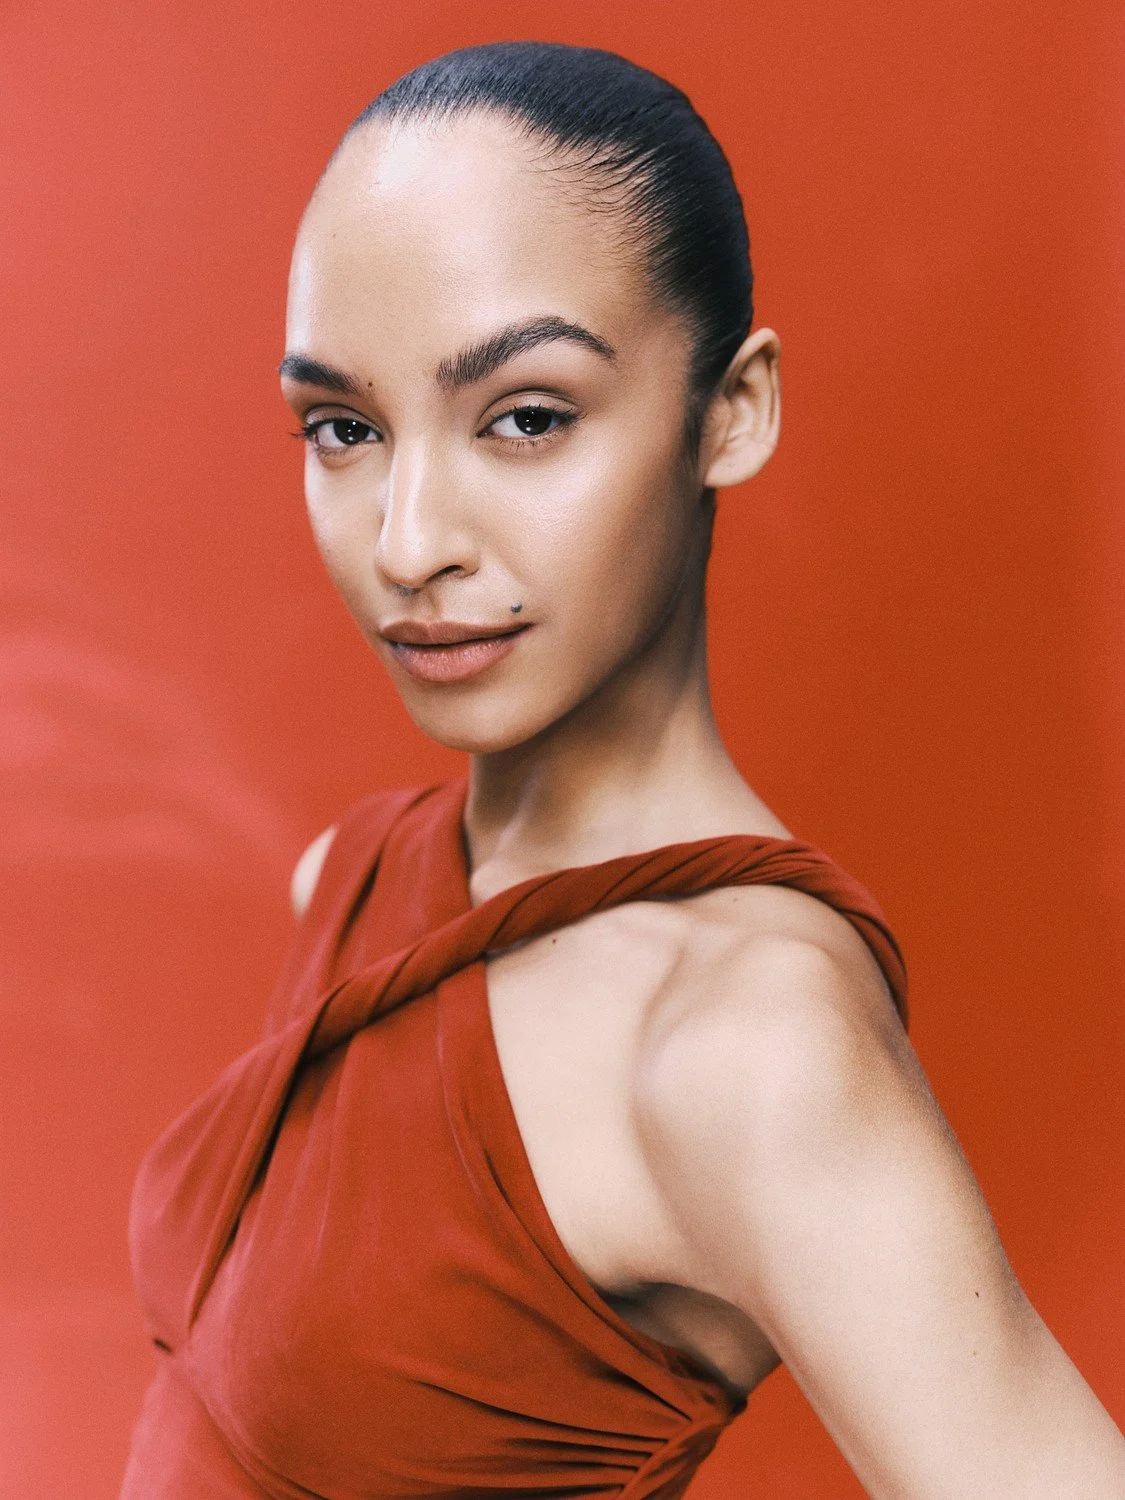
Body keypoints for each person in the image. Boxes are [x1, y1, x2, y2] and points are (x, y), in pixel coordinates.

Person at [121, 40, 1125, 1498]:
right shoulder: (352, 875)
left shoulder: (743, 1047)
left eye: (525, 417)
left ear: (735, 410)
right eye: (343, 428)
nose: (409, 542)